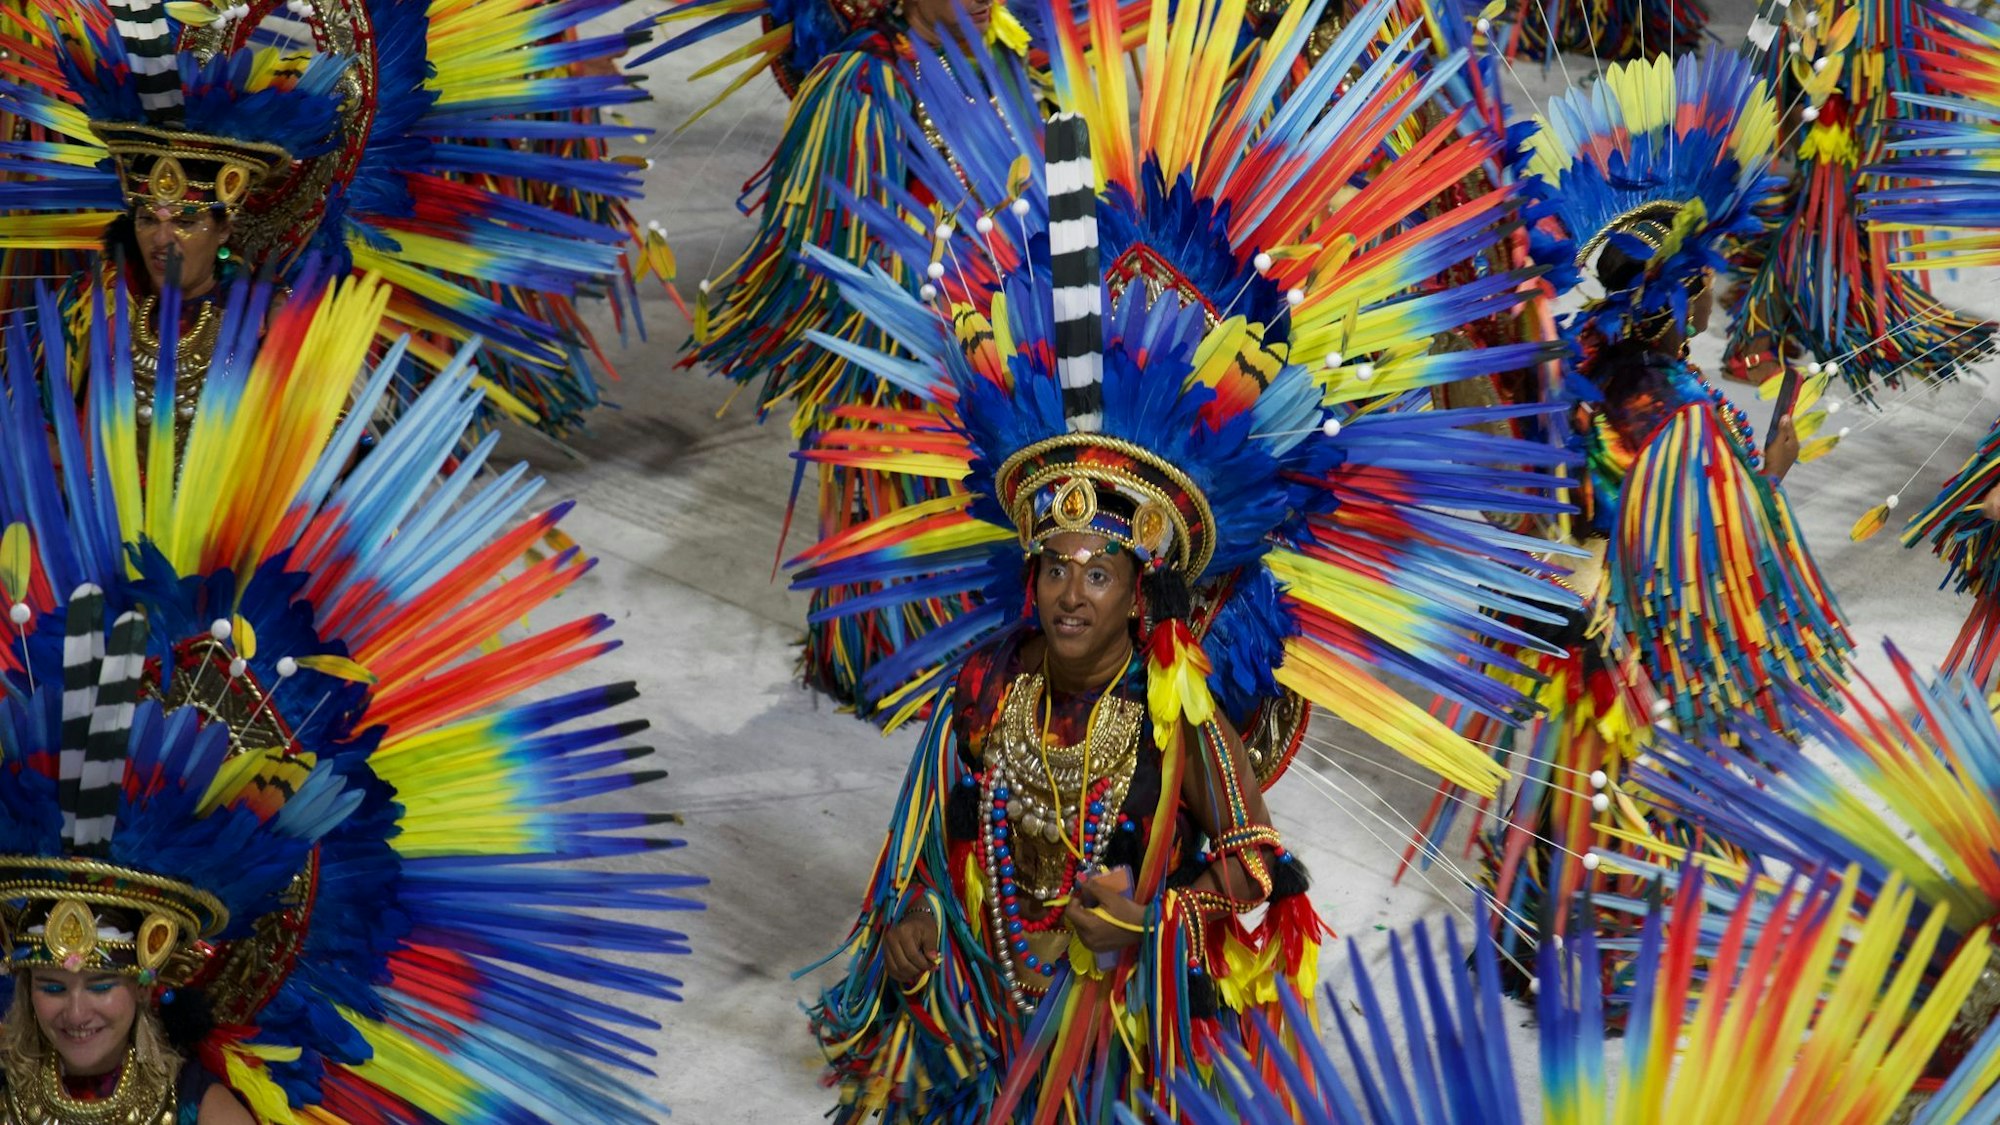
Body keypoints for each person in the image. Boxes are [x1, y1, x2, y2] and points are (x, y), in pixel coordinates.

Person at [789, 0, 1584, 1114]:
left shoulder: (1179, 707)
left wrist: (1154, 919)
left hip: (1121, 1029)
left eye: (1097, 574)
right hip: (987, 1005)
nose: (1069, 592)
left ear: (1141, 591)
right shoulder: (988, 681)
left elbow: (1256, 867)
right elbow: (937, 820)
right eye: (1055, 566)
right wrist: (912, 913)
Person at [0, 267, 695, 1122]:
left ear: (150, 969)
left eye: (99, 977)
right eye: (53, 981)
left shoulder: (209, 1111)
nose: (76, 1008)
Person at [1428, 47, 1852, 997]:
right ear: (1672, 299)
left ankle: (1538, 934)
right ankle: (1616, 957)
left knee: (1563, 798)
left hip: (1571, 654)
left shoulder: (1583, 395)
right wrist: (1769, 463)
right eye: (1698, 277)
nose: (1710, 291)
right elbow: (1715, 571)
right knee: (1630, 807)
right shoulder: (1686, 421)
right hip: (1639, 666)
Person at [3, 0, 657, 436]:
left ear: (226, 225)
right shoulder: (94, 313)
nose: (164, 237)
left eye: (186, 220)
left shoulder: (277, 331)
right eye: (149, 217)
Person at [637, 0, 1033, 706]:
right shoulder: (857, 87)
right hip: (886, 373)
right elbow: (821, 258)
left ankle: (984, 652)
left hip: (985, 357)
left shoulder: (1000, 62)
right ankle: (892, 665)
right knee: (893, 519)